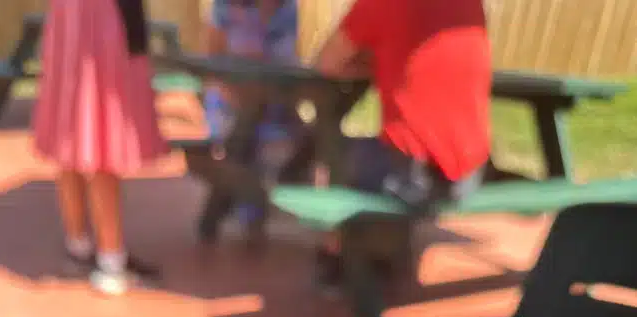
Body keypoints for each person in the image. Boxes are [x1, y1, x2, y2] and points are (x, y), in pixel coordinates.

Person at [312, 0, 492, 290]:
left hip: (413, 176)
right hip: (471, 173)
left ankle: (343, 260)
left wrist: (373, 60)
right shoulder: (471, 5)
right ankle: (378, 253)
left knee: (333, 156)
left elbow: (327, 63)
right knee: (383, 150)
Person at [33, 0, 166, 295]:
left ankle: (79, 243)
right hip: (101, 20)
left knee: (72, 129)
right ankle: (110, 259)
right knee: (101, 132)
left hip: (71, 19)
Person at [197, 0, 301, 242]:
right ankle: (251, 205)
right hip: (228, 101)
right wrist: (232, 93)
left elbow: (287, 62)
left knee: (304, 139)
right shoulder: (224, 6)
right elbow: (212, 63)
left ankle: (241, 203)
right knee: (240, 136)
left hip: (274, 103)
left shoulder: (287, 8)